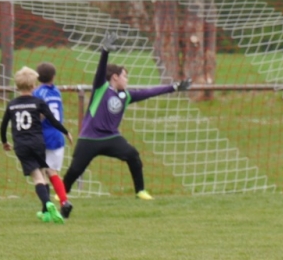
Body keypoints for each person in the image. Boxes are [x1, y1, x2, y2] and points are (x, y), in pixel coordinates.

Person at [62, 32, 190, 205]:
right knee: (75, 169)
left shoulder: (126, 96)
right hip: (90, 138)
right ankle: (61, 194)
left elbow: (149, 92)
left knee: (133, 155)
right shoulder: (101, 88)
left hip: (111, 137)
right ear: (115, 77)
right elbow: (101, 70)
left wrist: (173, 87)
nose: (127, 80)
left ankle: (140, 191)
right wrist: (105, 51)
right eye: (125, 76)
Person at [1, 66, 73, 224]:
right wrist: (66, 132)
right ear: (33, 85)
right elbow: (53, 119)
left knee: (39, 177)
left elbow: (3, 125)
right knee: (46, 173)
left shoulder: (14, 103)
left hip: (26, 143)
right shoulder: (48, 97)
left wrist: (4, 142)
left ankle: (47, 205)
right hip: (44, 141)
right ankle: (54, 206)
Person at [32, 62, 73, 219]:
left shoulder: (38, 93)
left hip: (43, 135)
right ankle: (64, 201)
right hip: (58, 136)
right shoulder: (56, 92)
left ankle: (46, 208)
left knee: (41, 173)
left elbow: (39, 115)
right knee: (53, 172)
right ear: (53, 77)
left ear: (37, 77)